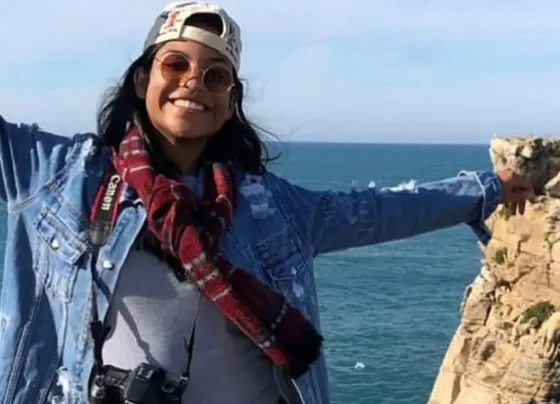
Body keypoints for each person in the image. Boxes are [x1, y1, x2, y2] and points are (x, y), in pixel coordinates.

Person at [0, 2, 534, 404]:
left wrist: (486, 188)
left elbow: (376, 212)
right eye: (175, 64)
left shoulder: (270, 208)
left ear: (230, 100)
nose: (193, 83)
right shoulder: (59, 176)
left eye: (216, 76)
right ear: (143, 79)